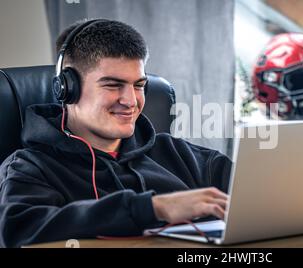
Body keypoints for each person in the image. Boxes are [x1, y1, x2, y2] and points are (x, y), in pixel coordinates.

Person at [0, 19, 231, 248]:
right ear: (67, 88)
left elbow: (255, 194)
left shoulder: (179, 155)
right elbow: (20, 232)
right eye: (113, 85)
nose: (131, 101)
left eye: (139, 85)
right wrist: (153, 208)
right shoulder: (30, 168)